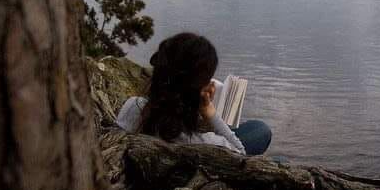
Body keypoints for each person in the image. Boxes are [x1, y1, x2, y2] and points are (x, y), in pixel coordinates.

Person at [116, 32, 271, 155]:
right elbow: (240, 153)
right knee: (265, 137)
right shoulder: (204, 143)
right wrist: (209, 113)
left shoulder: (133, 106)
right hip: (200, 162)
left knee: (259, 129)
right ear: (195, 91)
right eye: (207, 79)